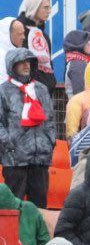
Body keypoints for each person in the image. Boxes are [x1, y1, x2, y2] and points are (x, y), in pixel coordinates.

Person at [0, 48, 54, 205]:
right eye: (21, 62)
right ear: (12, 66)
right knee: (13, 206)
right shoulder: (3, 91)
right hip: (15, 159)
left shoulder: (41, 89)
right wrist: (8, 144)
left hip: (40, 158)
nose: (26, 65)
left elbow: (50, 120)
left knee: (39, 207)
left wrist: (49, 142)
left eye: (28, 61)